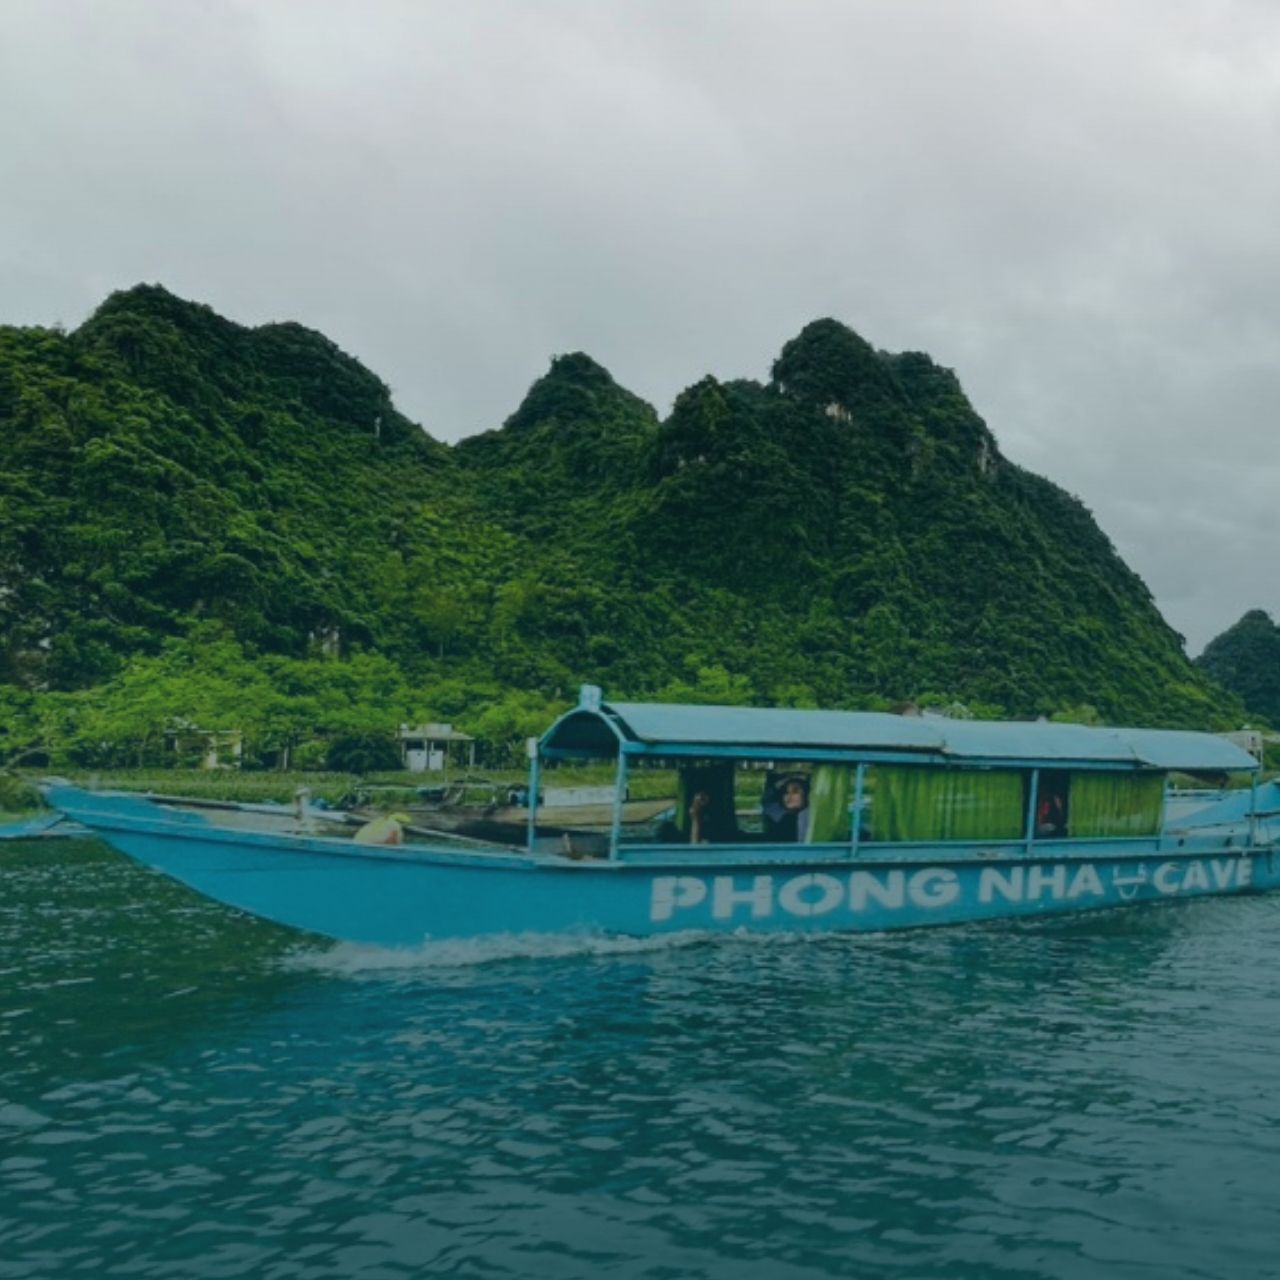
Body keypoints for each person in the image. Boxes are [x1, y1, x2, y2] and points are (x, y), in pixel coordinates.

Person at [764, 774, 810, 842]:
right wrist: (786, 780)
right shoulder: (781, 815)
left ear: (806, 795)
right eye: (785, 792)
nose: (789, 796)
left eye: (795, 791)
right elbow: (767, 801)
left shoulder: (810, 816)